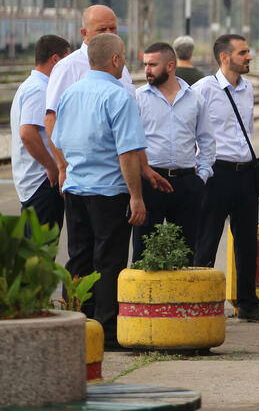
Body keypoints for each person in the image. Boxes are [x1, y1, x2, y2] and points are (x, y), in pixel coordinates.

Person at [50, 33, 147, 348]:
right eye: (124, 57)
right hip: (109, 193)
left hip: (76, 191)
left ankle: (76, 323)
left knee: (78, 259)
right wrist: (136, 196)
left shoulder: (70, 94)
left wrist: (68, 168)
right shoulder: (119, 97)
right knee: (108, 262)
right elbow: (127, 154)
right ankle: (106, 331)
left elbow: (57, 139)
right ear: (116, 60)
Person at [192, 34, 259, 324]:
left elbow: (247, 130)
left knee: (247, 243)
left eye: (248, 51)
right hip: (217, 174)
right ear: (225, 57)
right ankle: (201, 304)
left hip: (246, 173)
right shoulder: (203, 89)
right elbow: (189, 129)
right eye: (243, 53)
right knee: (207, 240)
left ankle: (248, 304)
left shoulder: (248, 88)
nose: (249, 57)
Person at [45, 5, 169, 196]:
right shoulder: (68, 67)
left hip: (120, 179)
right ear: (84, 33)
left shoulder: (121, 68)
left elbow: (130, 126)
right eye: (102, 29)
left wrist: (143, 166)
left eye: (113, 28)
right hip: (87, 181)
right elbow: (51, 119)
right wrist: (62, 167)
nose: (109, 33)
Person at [132, 42, 216, 261]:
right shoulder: (138, 97)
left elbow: (207, 140)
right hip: (150, 181)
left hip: (186, 183)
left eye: (152, 64)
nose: (147, 70)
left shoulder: (195, 99)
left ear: (170, 66)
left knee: (186, 253)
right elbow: (130, 141)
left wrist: (201, 177)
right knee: (144, 253)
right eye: (145, 64)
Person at [10, 35, 70, 230]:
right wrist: (53, 167)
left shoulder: (30, 85)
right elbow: (27, 133)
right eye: (66, 60)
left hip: (36, 180)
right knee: (42, 245)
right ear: (55, 59)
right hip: (43, 181)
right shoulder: (40, 89)